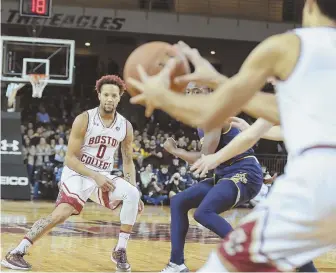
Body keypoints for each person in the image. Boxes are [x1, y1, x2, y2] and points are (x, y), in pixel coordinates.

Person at [126, 0, 336, 271]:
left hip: (315, 178)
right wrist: (217, 81)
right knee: (288, 248)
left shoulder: (288, 45)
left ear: (309, 5)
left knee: (225, 262)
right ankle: (177, 263)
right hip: (305, 179)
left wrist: (162, 96)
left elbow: (211, 112)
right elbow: (283, 114)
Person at [1, 75, 144, 272]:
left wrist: (132, 189)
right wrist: (95, 176)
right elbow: (70, 158)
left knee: (133, 195)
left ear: (120, 97)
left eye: (114, 95)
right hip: (77, 173)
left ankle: (120, 249)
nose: (110, 99)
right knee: (61, 214)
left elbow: (128, 161)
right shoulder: (84, 119)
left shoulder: (125, 126)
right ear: (99, 96)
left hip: (102, 175)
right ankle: (16, 252)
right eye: (106, 95)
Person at [191, 116, 318, 272]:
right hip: (303, 176)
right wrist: (252, 129)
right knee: (284, 232)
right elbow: (284, 131)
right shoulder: (303, 115)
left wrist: (216, 157)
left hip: (314, 175)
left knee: (280, 230)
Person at [160, 84, 263, 272]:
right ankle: (176, 263)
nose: (192, 95)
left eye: (197, 91)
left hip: (245, 171)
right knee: (178, 201)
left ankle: (248, 257)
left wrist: (176, 151)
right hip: (225, 173)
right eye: (189, 92)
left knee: (202, 212)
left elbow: (205, 156)